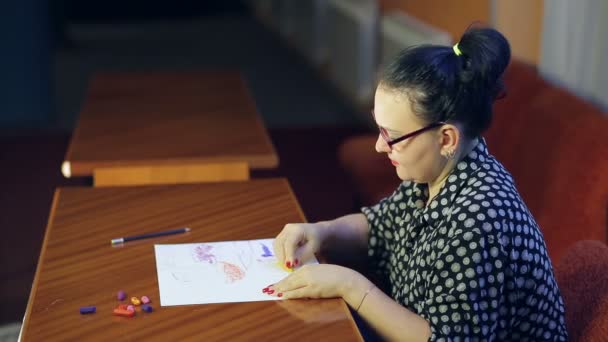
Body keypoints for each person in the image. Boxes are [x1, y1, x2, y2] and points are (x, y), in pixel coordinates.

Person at [264, 26, 568, 341]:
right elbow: (380, 225)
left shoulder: (477, 219)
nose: (380, 147)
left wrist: (350, 285)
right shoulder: (436, 171)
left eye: (392, 136)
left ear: (446, 137)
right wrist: (323, 231)